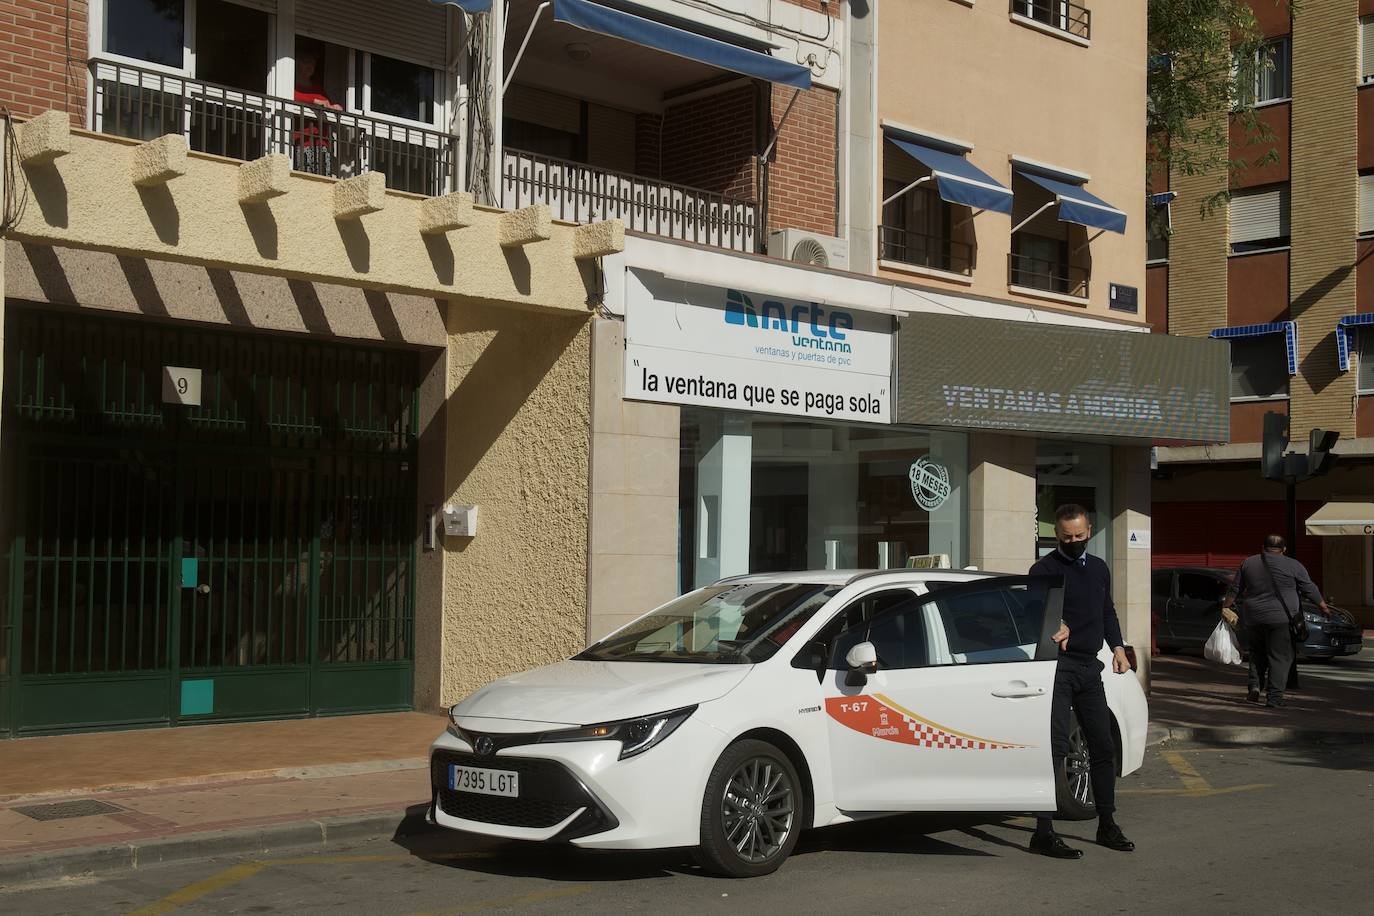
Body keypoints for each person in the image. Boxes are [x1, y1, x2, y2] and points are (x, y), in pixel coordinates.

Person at [1027, 504, 1134, 859]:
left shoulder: (1099, 568)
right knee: (1054, 747)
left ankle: (1107, 824)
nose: (1073, 542)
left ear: (1090, 531)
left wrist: (1117, 647)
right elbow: (1028, 616)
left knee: (1102, 747)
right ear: (1056, 535)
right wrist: (1053, 625)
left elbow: (1107, 611)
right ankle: (1043, 830)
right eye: (1066, 537)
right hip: (1055, 668)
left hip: (1090, 666)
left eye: (1079, 536)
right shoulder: (1043, 570)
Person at [1220, 534, 1328, 708]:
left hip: (1254, 617)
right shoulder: (1293, 565)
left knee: (1257, 653)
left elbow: (1236, 588)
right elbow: (1309, 588)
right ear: (1284, 549)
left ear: (1263, 547)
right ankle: (1275, 698)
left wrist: (1226, 606)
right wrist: (1323, 606)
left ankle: (1254, 686)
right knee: (1279, 657)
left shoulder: (1248, 562)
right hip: (1281, 619)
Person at [293, 40, 343, 176]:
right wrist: (314, 101)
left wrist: (334, 107)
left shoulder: (318, 88)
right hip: (304, 142)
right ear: (297, 64)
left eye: (312, 63)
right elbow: (292, 97)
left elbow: (325, 103)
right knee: (305, 179)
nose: (310, 66)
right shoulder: (291, 85)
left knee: (322, 179)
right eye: (306, 62)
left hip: (322, 142)